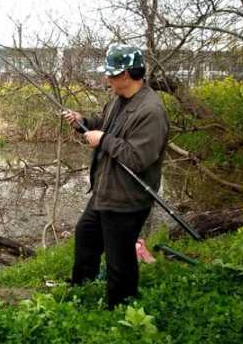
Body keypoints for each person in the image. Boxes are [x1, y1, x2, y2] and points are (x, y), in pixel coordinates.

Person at [62, 44, 169, 310]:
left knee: (119, 257)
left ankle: (120, 306)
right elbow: (104, 123)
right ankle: (81, 287)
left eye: (111, 74)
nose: (106, 79)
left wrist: (104, 140)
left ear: (126, 75)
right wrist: (82, 121)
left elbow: (138, 158)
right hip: (105, 189)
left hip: (127, 197)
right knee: (86, 235)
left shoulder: (151, 111)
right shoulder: (118, 99)